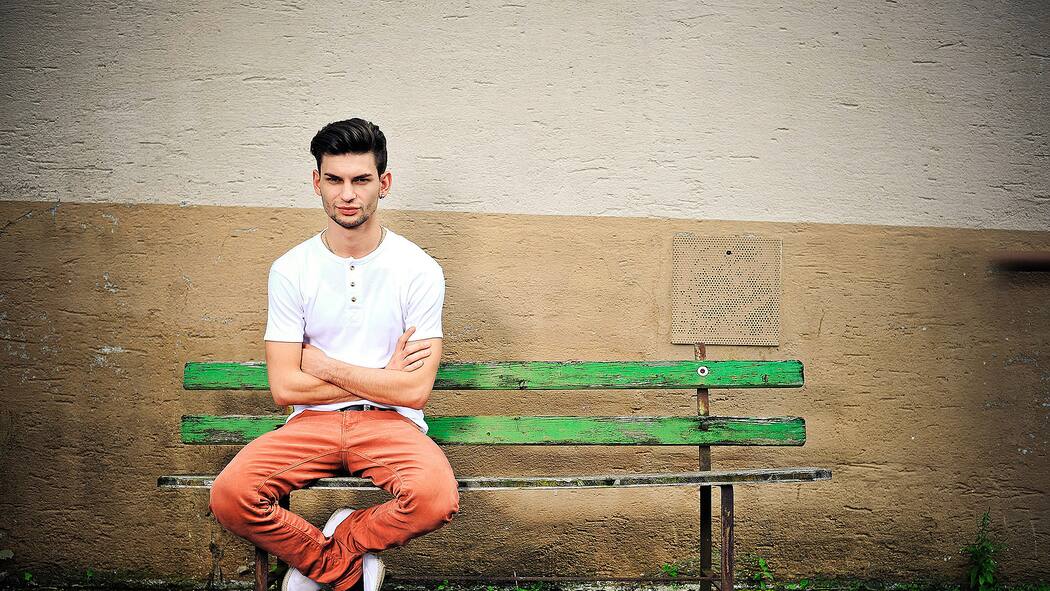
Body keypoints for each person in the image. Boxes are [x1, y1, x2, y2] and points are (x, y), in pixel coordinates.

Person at [208, 118, 460, 591]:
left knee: (435, 498)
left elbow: (413, 391)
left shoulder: (418, 270)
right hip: (311, 424)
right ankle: (338, 565)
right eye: (335, 180)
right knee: (231, 496)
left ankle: (341, 540)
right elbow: (285, 388)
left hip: (391, 423)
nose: (347, 194)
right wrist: (381, 376)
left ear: (384, 183)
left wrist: (323, 364)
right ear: (316, 182)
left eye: (361, 180)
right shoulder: (291, 269)